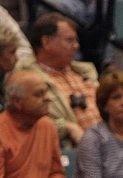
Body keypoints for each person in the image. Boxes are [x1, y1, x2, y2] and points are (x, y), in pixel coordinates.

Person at [15, 12, 101, 148]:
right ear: (46, 42)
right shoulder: (29, 79)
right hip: (73, 149)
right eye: (69, 40)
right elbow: (25, 119)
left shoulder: (84, 72)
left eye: (76, 40)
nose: (76, 46)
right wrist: (67, 127)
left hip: (111, 140)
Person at [0, 70, 70, 178]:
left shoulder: (47, 125)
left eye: (46, 92)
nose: (48, 98)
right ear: (17, 101)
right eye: (39, 94)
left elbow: (56, 172)